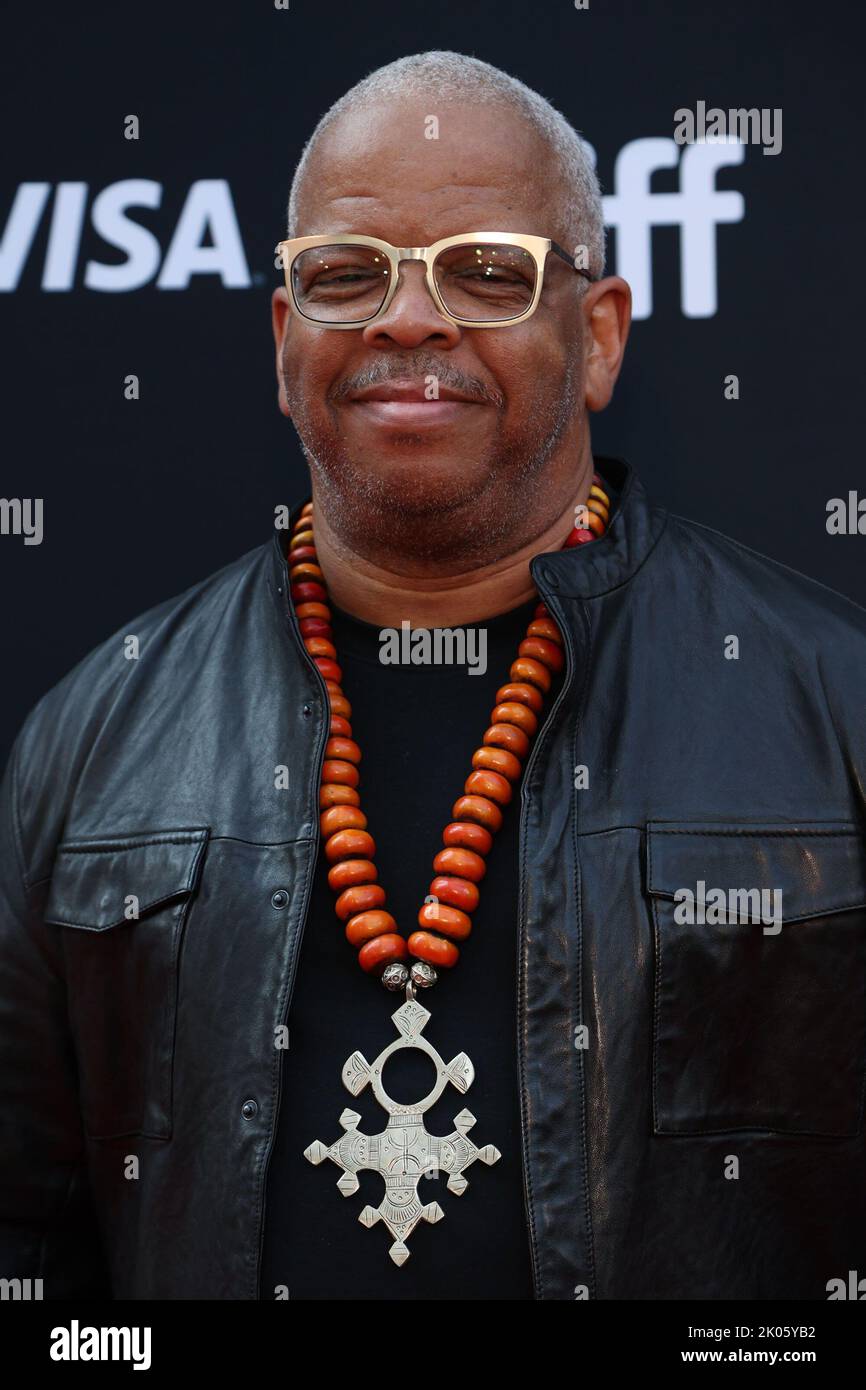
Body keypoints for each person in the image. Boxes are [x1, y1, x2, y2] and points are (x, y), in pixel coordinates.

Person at [2, 50, 865, 1302]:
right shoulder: (89, 741)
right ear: (285, 336)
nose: (409, 319)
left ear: (601, 334)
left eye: (486, 269)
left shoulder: (828, 708)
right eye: (346, 276)